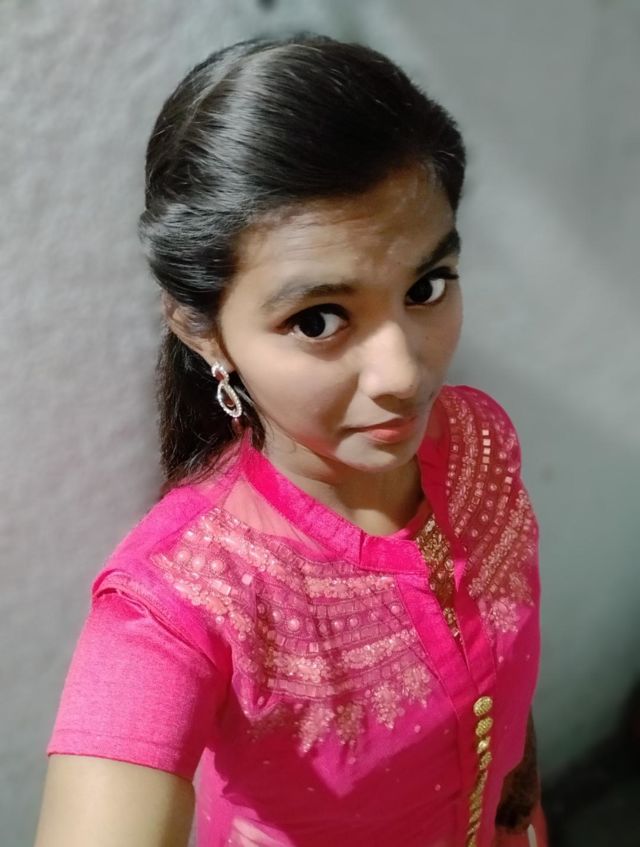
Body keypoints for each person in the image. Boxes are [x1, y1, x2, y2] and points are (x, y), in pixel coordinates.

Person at [33, 33, 548, 847]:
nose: (401, 374)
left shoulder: (479, 441)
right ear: (203, 330)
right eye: (318, 320)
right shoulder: (180, 607)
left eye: (426, 286)